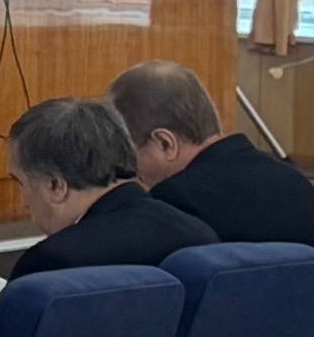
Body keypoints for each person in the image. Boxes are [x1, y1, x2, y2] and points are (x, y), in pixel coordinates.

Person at [107, 61, 314, 248]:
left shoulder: (174, 201)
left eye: (127, 157)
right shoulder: (294, 179)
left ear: (165, 144)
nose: (128, 171)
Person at [6, 97, 217, 278]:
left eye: (21, 182)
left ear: (56, 185)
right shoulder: (199, 234)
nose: (23, 202)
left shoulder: (52, 261)